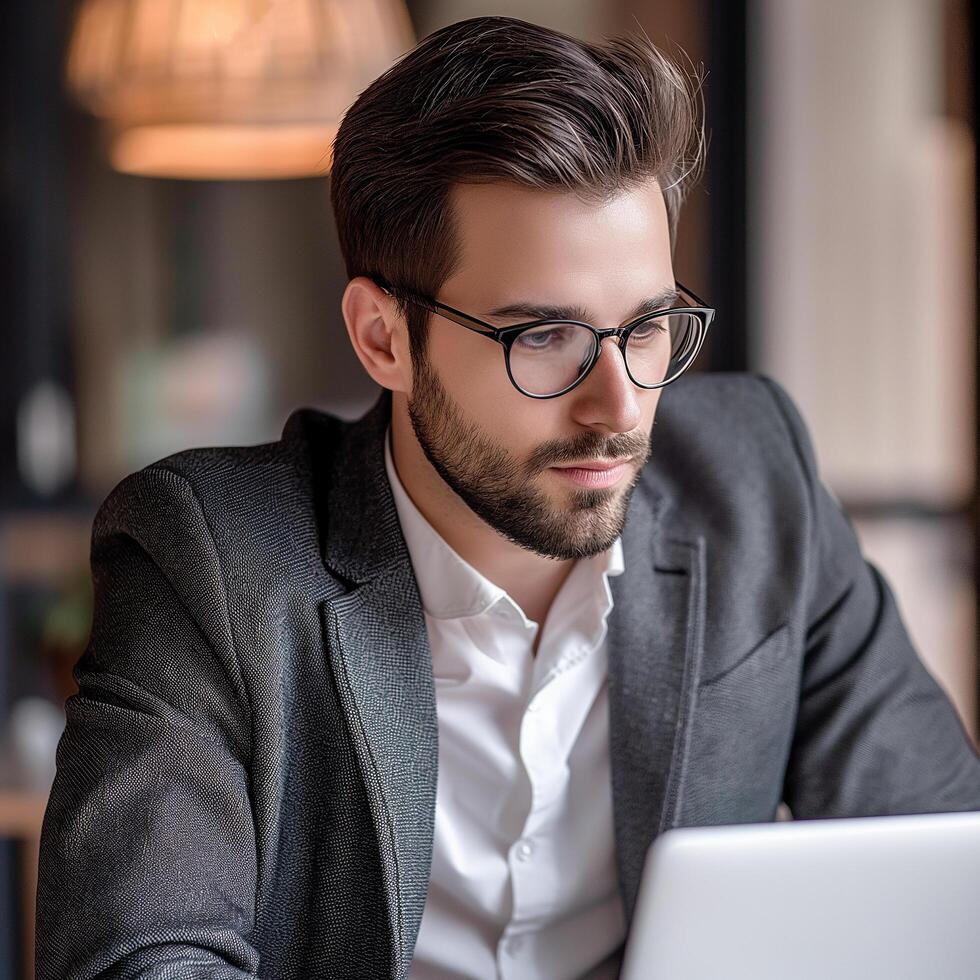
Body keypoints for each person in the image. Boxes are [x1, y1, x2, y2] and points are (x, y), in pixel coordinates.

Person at [35, 14, 980, 980]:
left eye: (647, 328)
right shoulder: (213, 557)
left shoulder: (752, 485)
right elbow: (138, 963)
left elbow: (944, 868)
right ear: (383, 338)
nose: (618, 404)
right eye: (543, 338)